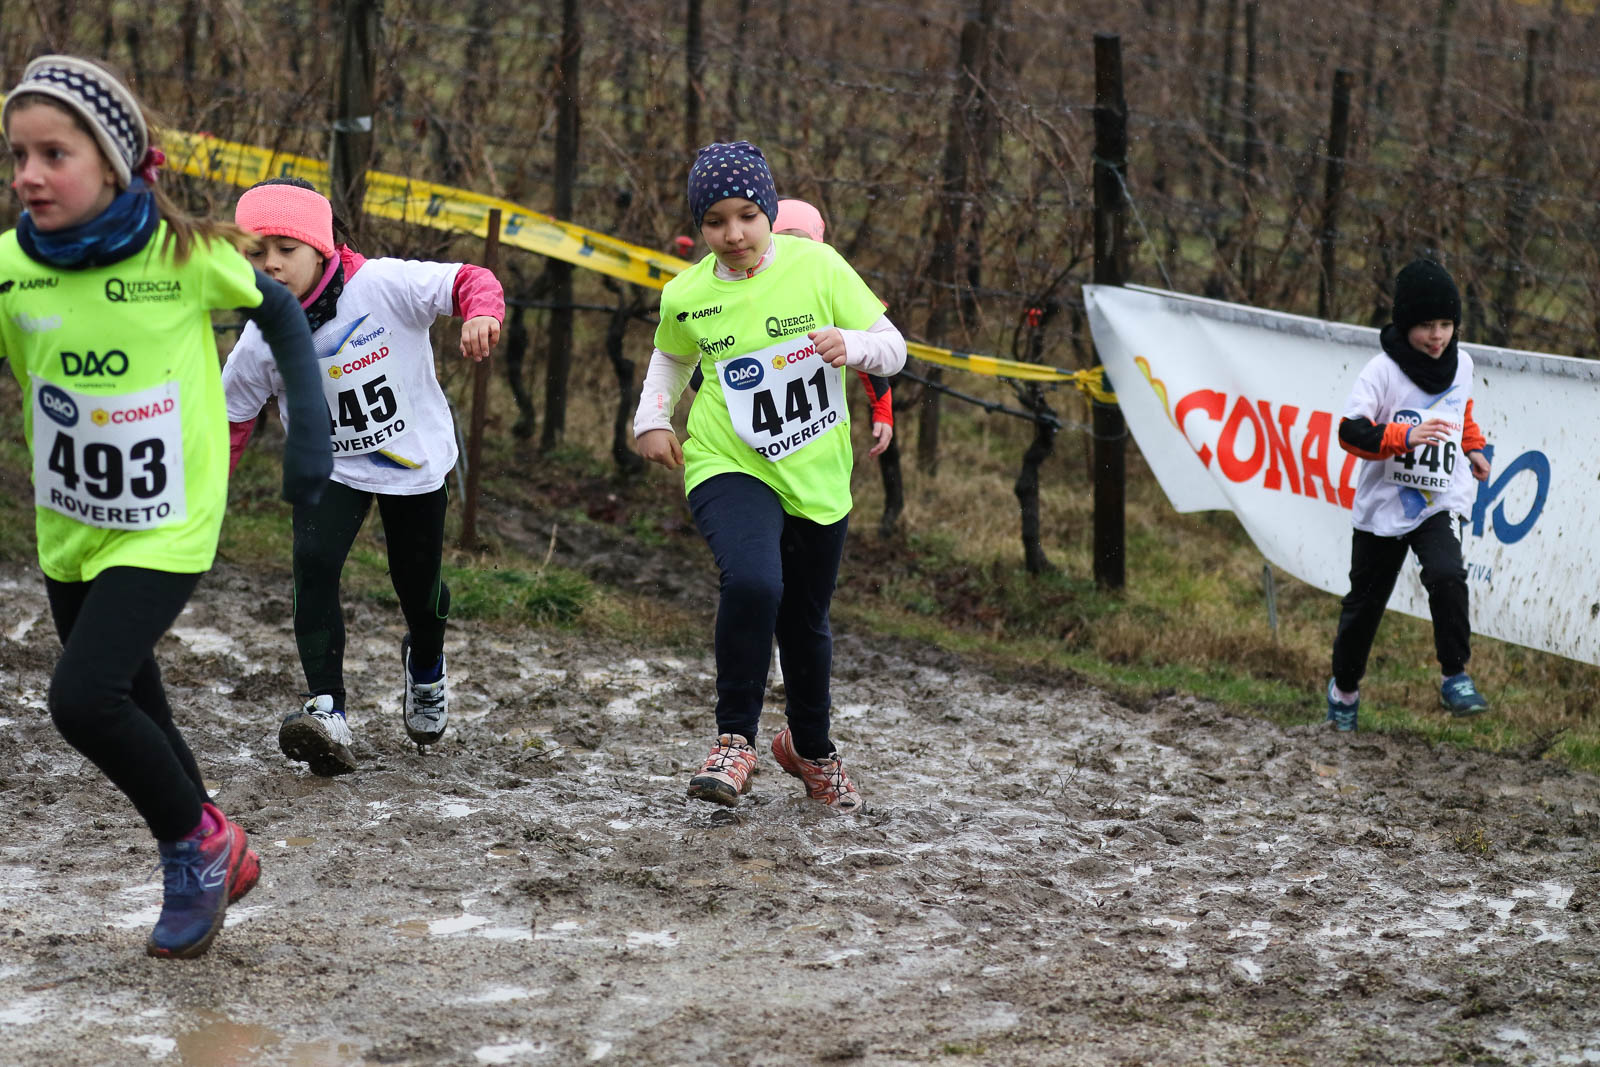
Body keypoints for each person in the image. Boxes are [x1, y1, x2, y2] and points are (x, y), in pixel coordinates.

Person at [0, 55, 331, 957]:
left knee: (83, 698)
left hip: (168, 520)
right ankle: (215, 841)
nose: (28, 175)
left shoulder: (184, 255)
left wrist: (308, 432)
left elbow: (280, 312)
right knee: (137, 702)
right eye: (18, 155)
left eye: (53, 154)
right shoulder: (12, 266)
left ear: (112, 161)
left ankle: (195, 847)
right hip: (70, 525)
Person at [634, 141, 906, 811]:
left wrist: (853, 345)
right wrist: (653, 418)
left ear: (770, 213)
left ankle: (811, 750)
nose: (733, 234)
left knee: (806, 621)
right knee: (755, 581)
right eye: (716, 221)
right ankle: (734, 742)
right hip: (728, 459)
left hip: (815, 470)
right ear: (700, 226)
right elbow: (671, 358)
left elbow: (894, 348)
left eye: (747, 217)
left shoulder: (819, 267)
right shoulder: (687, 294)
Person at [222, 178, 504, 776]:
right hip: (329, 467)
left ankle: (426, 661)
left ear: (321, 246)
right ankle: (327, 709)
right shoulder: (260, 337)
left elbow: (470, 278)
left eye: (286, 249)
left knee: (417, 587)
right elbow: (231, 421)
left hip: (412, 460)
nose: (270, 264)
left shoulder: (383, 285)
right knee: (313, 564)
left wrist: (481, 313)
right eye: (255, 252)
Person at [1327, 258, 1491, 731]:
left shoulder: (1463, 364)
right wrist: (1402, 437)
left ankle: (1455, 675)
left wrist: (1473, 448)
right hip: (1384, 505)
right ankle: (1344, 689)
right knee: (1364, 608)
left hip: (1439, 501)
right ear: (1405, 324)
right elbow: (1350, 433)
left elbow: (1461, 412)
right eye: (1425, 326)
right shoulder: (1382, 372)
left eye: (1446, 325)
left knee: (1447, 575)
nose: (1437, 337)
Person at [683, 198, 894, 458]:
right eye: (786, 240)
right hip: (737, 438)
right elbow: (694, 371)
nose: (794, 251)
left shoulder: (826, 282)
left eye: (803, 243)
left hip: (808, 434)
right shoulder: (734, 290)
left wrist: (883, 411)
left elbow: (865, 345)